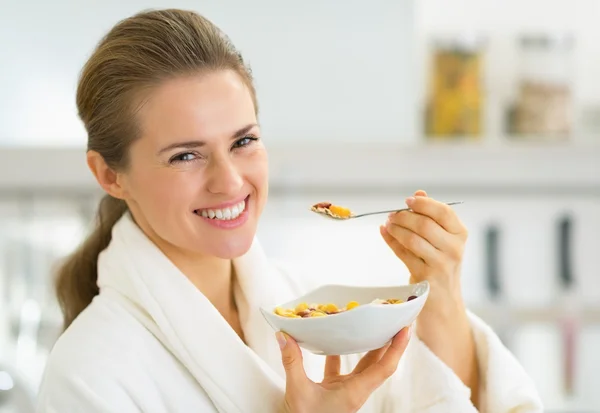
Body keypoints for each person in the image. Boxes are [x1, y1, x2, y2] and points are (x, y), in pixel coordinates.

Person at [36, 8, 543, 413]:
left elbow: (447, 402)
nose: (230, 181)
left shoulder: (312, 310)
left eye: (244, 141)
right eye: (185, 155)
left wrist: (442, 293)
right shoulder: (90, 375)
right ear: (109, 175)